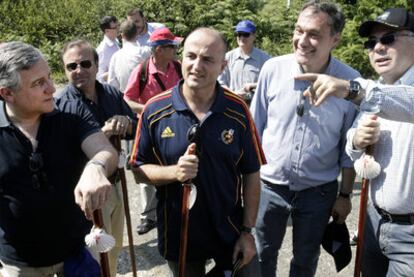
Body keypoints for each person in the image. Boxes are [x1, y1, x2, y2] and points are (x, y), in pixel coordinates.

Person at [130, 27, 265, 276]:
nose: (197, 66)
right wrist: (175, 172)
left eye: (207, 59)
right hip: (179, 234)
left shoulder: (238, 110)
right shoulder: (154, 110)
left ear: (223, 66)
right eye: (191, 56)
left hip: (229, 231)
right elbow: (138, 170)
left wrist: (247, 232)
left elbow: (251, 174)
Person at [296, 7, 414, 276]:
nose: (378, 49)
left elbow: (406, 101)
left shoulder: (372, 92)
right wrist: (357, 141)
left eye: (388, 39)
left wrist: (352, 88)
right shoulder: (376, 88)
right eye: (372, 43)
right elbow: (352, 144)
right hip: (374, 223)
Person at [249, 1, 360, 276]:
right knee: (261, 255)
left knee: (305, 260)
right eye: (299, 30)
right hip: (269, 187)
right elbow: (254, 131)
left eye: (314, 34)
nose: (302, 40)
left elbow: (349, 148)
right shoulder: (272, 69)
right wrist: (246, 183)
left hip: (318, 192)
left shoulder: (350, 83)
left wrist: (345, 195)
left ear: (335, 39)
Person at [0, 41, 118, 276]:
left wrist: (96, 166)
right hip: (20, 263)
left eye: (49, 78)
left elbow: (105, 151)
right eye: (38, 83)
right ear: (7, 93)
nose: (52, 89)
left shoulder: (69, 115)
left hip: (77, 255)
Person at [56, 39, 137, 277]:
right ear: (64, 70)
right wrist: (102, 135)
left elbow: (134, 124)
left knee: (114, 247)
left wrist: (126, 123)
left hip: (116, 183)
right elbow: (63, 152)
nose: (79, 70)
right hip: (89, 194)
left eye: (85, 63)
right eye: (71, 66)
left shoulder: (110, 92)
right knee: (94, 254)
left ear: (96, 64)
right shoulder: (62, 105)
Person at [124, 27, 183, 235]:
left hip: (176, 127)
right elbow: (128, 100)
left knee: (174, 168)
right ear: (158, 50)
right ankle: (148, 217)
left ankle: (175, 210)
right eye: (171, 46)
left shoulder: (178, 67)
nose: (176, 49)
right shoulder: (141, 72)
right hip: (149, 128)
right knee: (146, 171)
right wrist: (150, 110)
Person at [218, 20, 270, 101]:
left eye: (246, 34)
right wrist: (233, 94)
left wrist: (254, 85)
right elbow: (220, 83)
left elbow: (271, 82)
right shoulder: (227, 57)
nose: (242, 38)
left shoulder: (265, 59)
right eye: (239, 34)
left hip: (255, 107)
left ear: (254, 36)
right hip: (233, 105)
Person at [108, 19, 145, 92]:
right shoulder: (144, 52)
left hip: (124, 99)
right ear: (137, 33)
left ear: (121, 35)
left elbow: (112, 84)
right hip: (145, 99)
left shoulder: (115, 57)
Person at [96, 15, 120, 83]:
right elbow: (100, 77)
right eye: (115, 27)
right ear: (107, 31)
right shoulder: (102, 49)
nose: (118, 28)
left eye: (118, 25)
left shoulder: (116, 41)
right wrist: (119, 70)